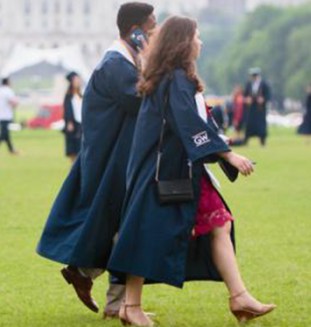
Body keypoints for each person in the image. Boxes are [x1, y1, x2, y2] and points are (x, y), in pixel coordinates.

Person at [107, 16, 275, 326]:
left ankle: (239, 297)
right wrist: (228, 154)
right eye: (196, 36)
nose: (200, 42)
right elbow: (188, 124)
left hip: (182, 170)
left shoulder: (175, 77)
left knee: (219, 224)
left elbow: (197, 121)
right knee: (146, 234)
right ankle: (130, 306)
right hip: (164, 173)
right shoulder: (174, 79)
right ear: (183, 42)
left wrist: (222, 149)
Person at [37, 2, 156, 319]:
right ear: (136, 32)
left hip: (119, 158)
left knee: (122, 228)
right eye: (152, 28)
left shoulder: (122, 62)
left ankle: (89, 277)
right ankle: (108, 294)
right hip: (112, 162)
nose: (155, 33)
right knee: (125, 229)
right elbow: (140, 102)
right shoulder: (117, 65)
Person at [242, 68, 271, 146]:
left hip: (260, 109)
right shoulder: (248, 84)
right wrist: (246, 99)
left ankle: (262, 141)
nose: (254, 77)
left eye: (255, 75)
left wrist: (263, 99)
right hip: (250, 109)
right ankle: (246, 141)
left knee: (261, 125)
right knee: (249, 125)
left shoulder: (264, 84)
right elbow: (244, 95)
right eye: (253, 76)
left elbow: (268, 95)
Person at [0, 77, 19, 156]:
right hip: (6, 115)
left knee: (5, 134)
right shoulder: (8, 91)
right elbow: (13, 102)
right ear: (7, 82)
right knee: (3, 134)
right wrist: (16, 104)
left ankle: (11, 150)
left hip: (0, 115)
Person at [62, 71, 82, 163]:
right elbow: (67, 110)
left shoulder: (80, 95)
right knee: (73, 149)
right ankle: (73, 168)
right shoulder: (68, 96)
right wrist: (69, 122)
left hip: (81, 124)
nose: (78, 82)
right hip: (73, 124)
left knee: (80, 148)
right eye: (76, 80)